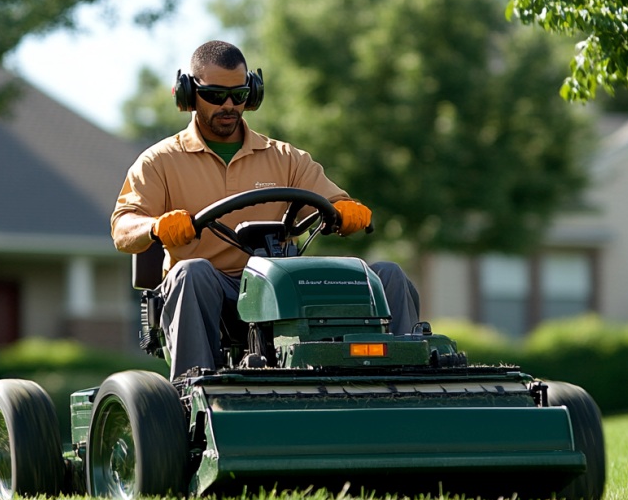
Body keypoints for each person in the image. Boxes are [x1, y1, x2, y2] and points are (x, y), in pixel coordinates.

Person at [111, 40, 420, 379]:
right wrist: (155, 227)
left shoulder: (286, 158)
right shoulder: (160, 162)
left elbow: (333, 202)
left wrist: (346, 211)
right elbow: (123, 228)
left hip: (280, 287)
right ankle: (195, 387)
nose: (228, 105)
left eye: (239, 95)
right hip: (215, 289)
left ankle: (403, 380)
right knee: (192, 272)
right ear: (188, 94)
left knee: (387, 274)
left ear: (252, 93)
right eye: (216, 95)